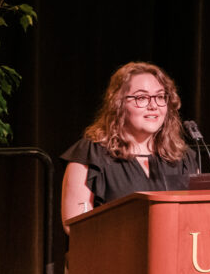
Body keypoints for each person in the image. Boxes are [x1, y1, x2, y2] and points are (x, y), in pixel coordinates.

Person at [61, 61, 199, 232]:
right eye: (141, 98)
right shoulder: (91, 155)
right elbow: (75, 228)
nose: (153, 105)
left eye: (160, 97)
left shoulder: (183, 157)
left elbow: (196, 220)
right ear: (118, 104)